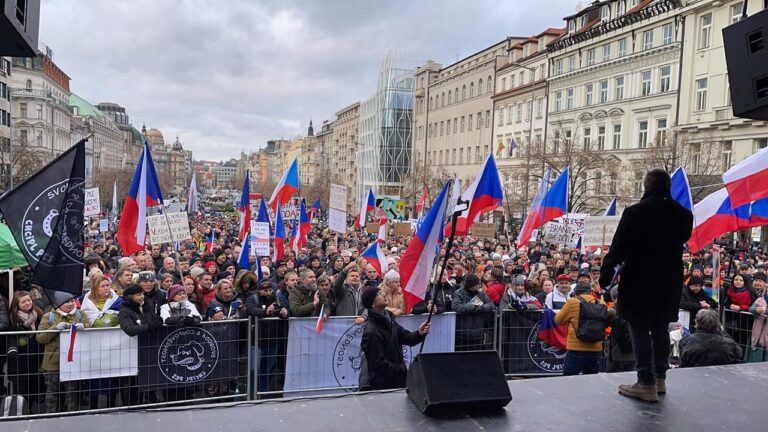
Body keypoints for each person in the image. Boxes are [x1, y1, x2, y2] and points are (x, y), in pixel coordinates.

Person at [600, 168, 693, 402]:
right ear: (668, 187)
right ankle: (660, 378)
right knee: (660, 327)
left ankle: (645, 382)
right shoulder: (683, 214)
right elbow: (681, 239)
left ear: (646, 186)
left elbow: (618, 246)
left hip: (639, 278)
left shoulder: (635, 213)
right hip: (668, 279)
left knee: (639, 327)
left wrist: (606, 273)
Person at [359, 287, 430, 390]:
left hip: (397, 380)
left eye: (382, 292)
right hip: (383, 385)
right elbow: (378, 363)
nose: (383, 294)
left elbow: (406, 337)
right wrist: (401, 369)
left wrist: (420, 333)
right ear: (372, 304)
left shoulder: (389, 319)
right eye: (379, 294)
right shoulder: (371, 332)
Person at [36, 297, 90, 413]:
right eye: (66, 301)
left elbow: (89, 327)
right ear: (58, 303)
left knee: (72, 389)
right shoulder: (48, 316)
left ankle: (72, 414)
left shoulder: (80, 314)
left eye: (72, 301)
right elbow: (40, 338)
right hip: (53, 361)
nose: (70, 304)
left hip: (73, 360)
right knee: (52, 389)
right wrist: (55, 328)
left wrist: (84, 327)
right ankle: (51, 415)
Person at [555, 282, 615, 376]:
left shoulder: (572, 302)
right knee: (591, 381)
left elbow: (558, 320)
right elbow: (611, 315)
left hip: (576, 348)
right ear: (590, 292)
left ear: (576, 292)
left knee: (569, 380)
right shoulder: (600, 303)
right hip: (595, 349)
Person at [5, 291, 45, 412]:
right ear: (17, 304)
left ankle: (30, 411)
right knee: (21, 389)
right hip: (19, 360)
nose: (28, 303)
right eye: (23, 301)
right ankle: (20, 412)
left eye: (29, 300)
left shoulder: (38, 314)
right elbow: (9, 336)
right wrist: (12, 348)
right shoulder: (12, 318)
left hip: (35, 357)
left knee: (33, 387)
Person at [452, 273, 495, 350]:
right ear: (471, 285)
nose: (479, 286)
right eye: (477, 284)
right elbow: (456, 307)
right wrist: (473, 307)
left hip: (478, 334)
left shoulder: (481, 294)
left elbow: (491, 305)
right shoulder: (459, 293)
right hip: (463, 334)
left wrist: (480, 308)